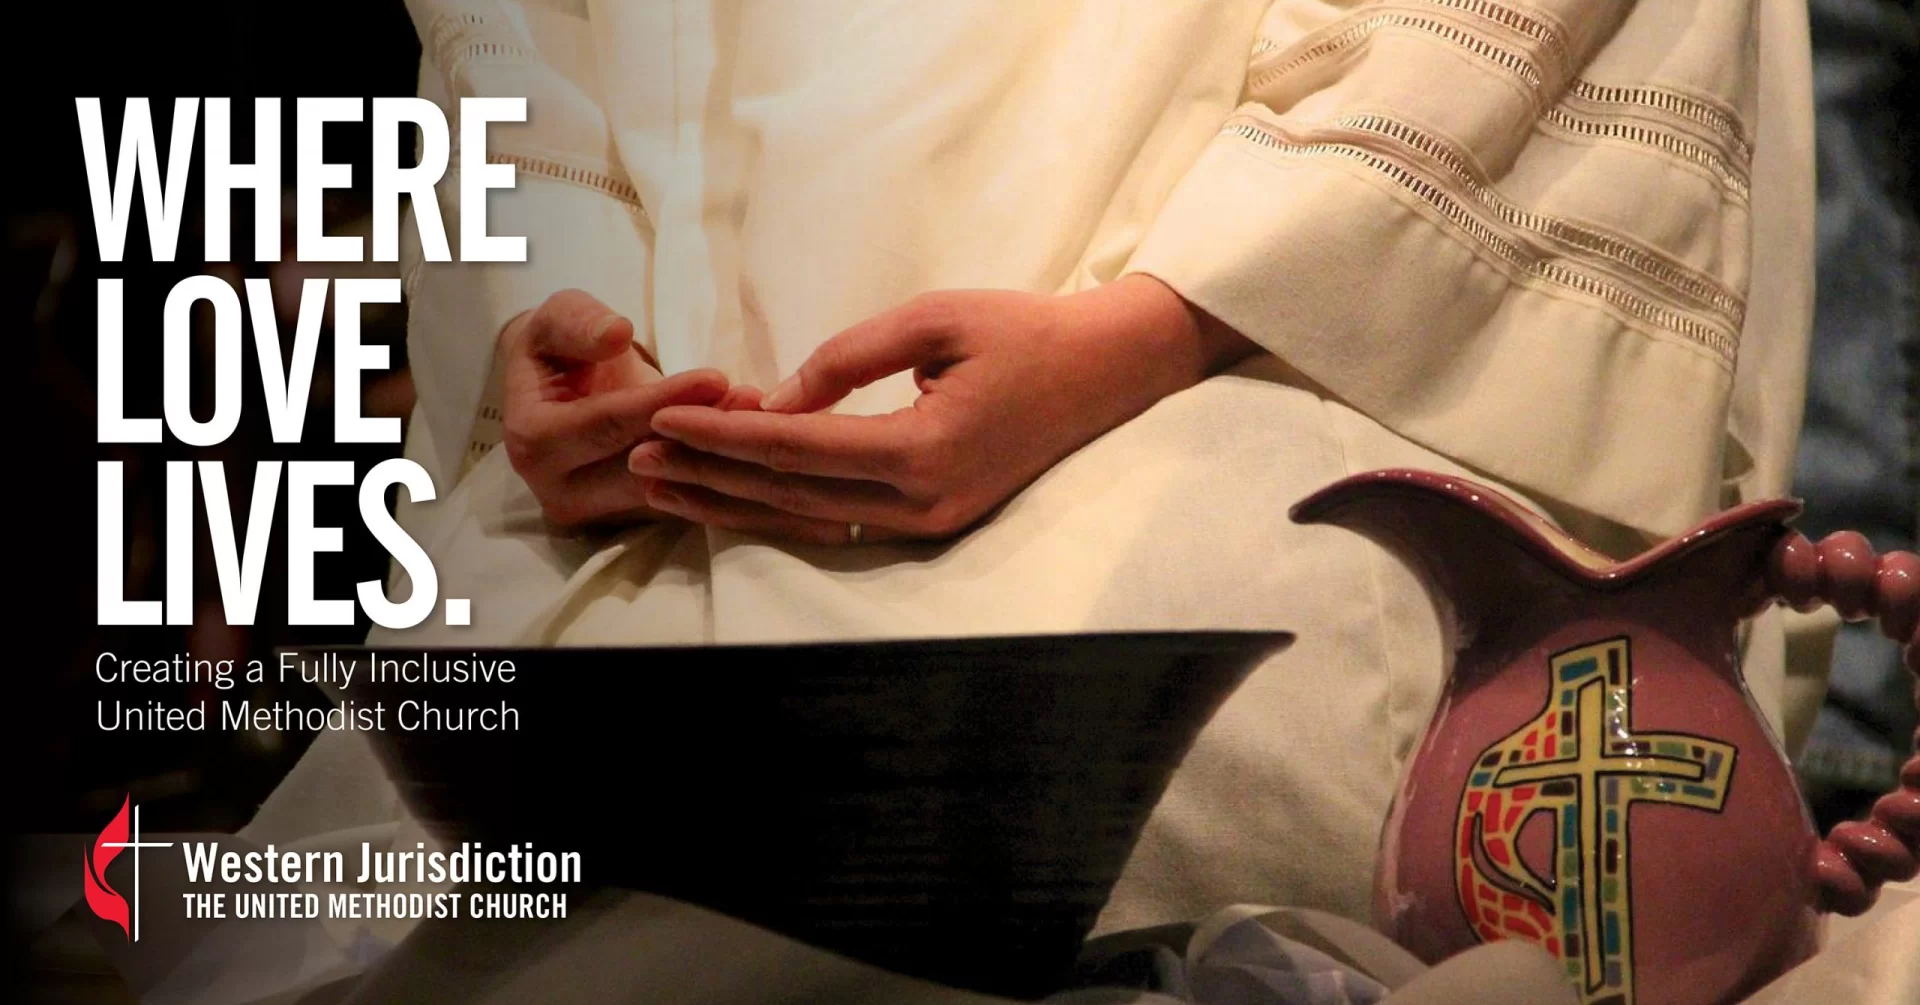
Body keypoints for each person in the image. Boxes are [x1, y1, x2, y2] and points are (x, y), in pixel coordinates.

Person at [249, 0, 1855, 979]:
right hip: (665, 466)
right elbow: (529, 41)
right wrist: (557, 317)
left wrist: (1152, 331)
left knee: (1184, 768)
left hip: (1255, 378)